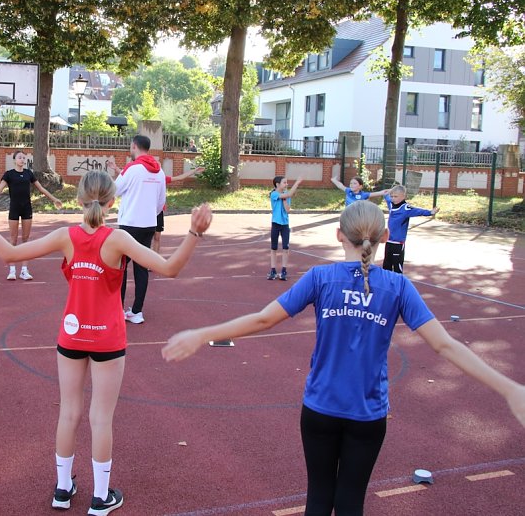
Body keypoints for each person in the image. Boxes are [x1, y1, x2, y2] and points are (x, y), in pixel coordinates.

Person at [162, 201, 525, 516]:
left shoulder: (322, 278)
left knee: (318, 501)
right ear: (384, 238)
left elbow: (263, 319)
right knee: (350, 504)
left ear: (339, 236)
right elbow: (445, 345)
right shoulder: (397, 286)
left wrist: (202, 333)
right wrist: (508, 388)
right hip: (367, 416)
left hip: (320, 410)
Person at [0, 170, 212, 515]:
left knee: (69, 414)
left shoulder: (67, 236)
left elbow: (9, 254)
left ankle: (63, 489)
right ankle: (100, 496)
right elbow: (169, 268)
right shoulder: (119, 239)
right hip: (107, 339)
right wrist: (194, 233)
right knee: (101, 418)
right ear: (113, 202)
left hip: (72, 334)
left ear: (80, 200)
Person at [106, 135, 166, 324]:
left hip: (130, 224)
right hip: (149, 224)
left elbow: (113, 190)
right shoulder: (160, 171)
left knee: (121, 266)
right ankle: (137, 311)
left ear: (134, 146)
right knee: (141, 267)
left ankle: (117, 309)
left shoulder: (132, 169)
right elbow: (161, 202)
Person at [0, 150, 63, 281]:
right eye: (20, 157)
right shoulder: (9, 174)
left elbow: (41, 189)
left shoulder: (28, 173)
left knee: (25, 240)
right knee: (13, 240)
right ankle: (12, 270)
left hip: (27, 208)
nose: (22, 159)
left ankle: (24, 271)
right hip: (14, 208)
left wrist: (54, 199)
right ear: (15, 160)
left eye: (24, 158)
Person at [383, 184, 439, 274]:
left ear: (403, 196)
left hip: (398, 243)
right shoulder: (391, 204)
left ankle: (399, 285)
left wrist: (430, 212)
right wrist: (389, 192)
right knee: (386, 265)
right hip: (389, 241)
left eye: (396, 196)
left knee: (397, 266)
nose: (393, 198)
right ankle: (386, 285)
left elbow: (418, 211)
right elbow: (386, 195)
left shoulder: (406, 208)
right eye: (392, 196)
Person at [152, 166, 204, 255]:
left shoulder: (163, 179)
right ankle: (144, 261)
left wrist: (194, 171)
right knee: (146, 237)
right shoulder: (146, 179)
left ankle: (154, 260)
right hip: (147, 211)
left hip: (159, 211)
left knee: (157, 237)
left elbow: (180, 177)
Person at [268, 176, 303, 281]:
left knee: (285, 248)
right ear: (277, 184)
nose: (286, 184)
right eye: (284, 182)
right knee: (274, 248)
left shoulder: (286, 196)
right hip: (275, 224)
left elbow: (288, 210)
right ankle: (273, 270)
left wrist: (284, 200)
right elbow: (288, 194)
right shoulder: (274, 194)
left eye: (287, 183)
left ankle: (283, 270)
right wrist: (296, 183)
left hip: (285, 225)